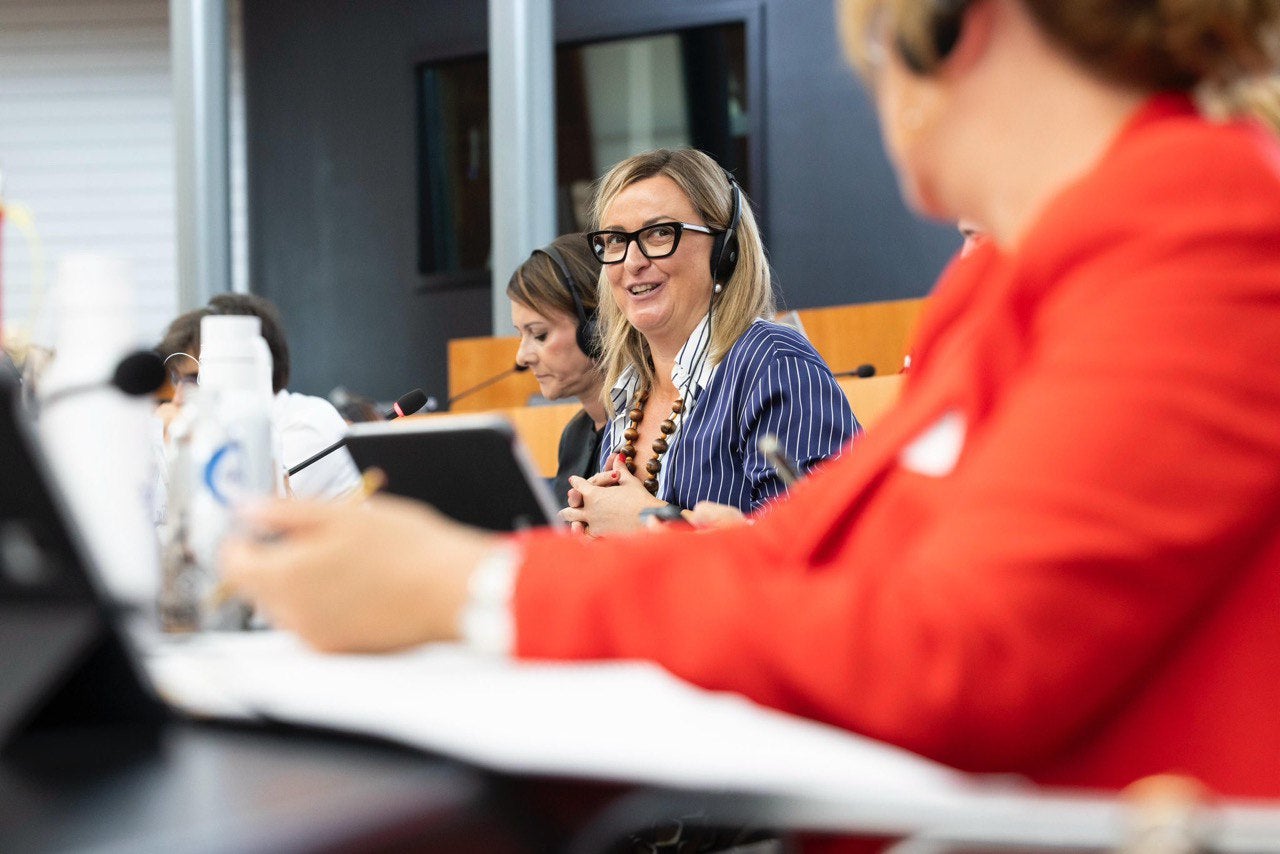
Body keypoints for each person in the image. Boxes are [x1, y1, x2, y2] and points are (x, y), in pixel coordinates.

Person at [224, 0, 1280, 808]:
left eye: (863, 53)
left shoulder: (1205, 233)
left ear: (951, 33)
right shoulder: (1004, 283)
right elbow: (804, 552)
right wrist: (469, 572)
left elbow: (954, 649)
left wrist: (475, 590)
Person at [564, 148, 857, 535]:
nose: (632, 262)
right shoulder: (629, 389)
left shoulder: (774, 363)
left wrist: (647, 526)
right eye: (616, 240)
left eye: (659, 233)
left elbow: (821, 547)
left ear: (725, 251)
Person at [156, 294, 362, 501]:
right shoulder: (226, 430)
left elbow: (234, 512)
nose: (178, 398)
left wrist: (171, 441)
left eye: (194, 378)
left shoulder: (307, 424)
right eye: (177, 379)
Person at [506, 234, 608, 509]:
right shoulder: (574, 435)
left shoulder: (651, 429)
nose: (522, 356)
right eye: (521, 335)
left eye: (539, 334)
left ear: (596, 328)